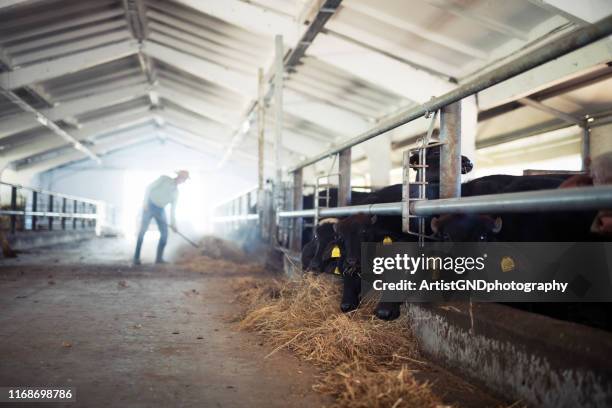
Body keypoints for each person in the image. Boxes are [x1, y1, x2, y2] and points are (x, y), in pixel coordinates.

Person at [133, 170, 189, 265]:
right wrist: (145, 203)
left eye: (184, 179)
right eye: (182, 177)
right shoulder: (164, 179)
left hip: (160, 209)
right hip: (150, 205)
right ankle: (136, 258)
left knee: (164, 234)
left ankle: (159, 259)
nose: (182, 180)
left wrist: (173, 224)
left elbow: (172, 210)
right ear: (178, 176)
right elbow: (149, 188)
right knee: (142, 232)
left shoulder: (176, 193)